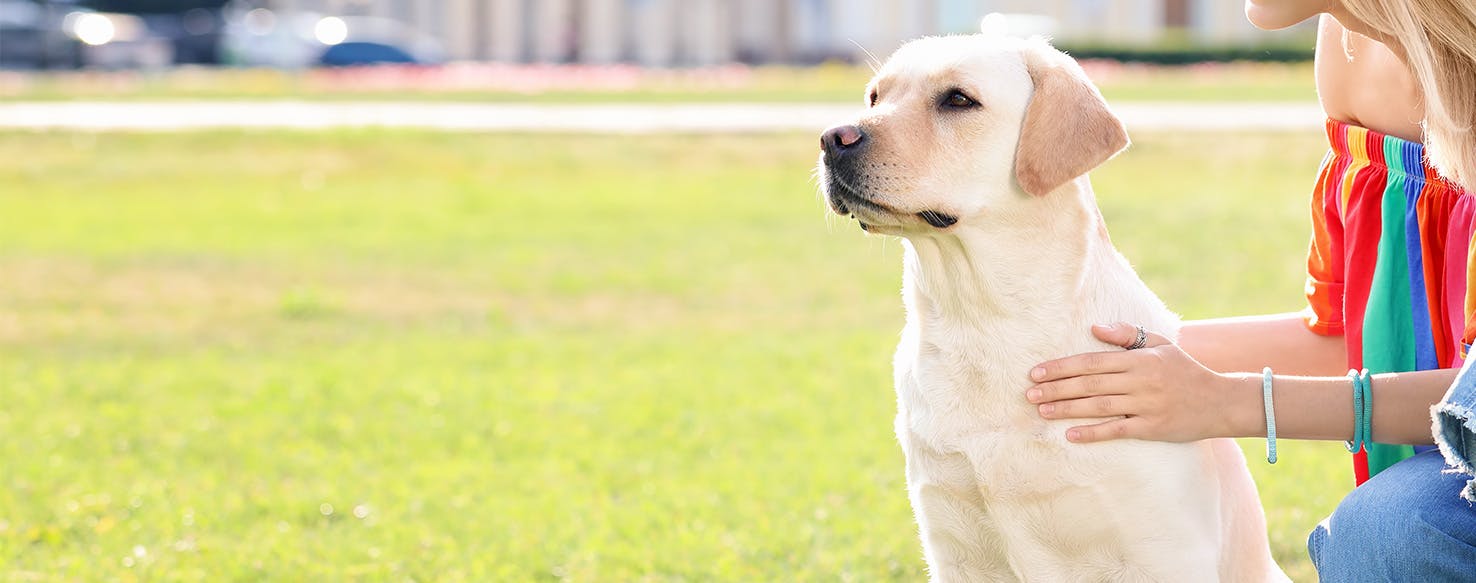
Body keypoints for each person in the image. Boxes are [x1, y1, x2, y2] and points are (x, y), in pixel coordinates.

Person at [1022, 0, 1476, 579]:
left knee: (1391, 530)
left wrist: (1227, 402)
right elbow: (1358, 340)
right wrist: (1086, 359)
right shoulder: (1351, 45)